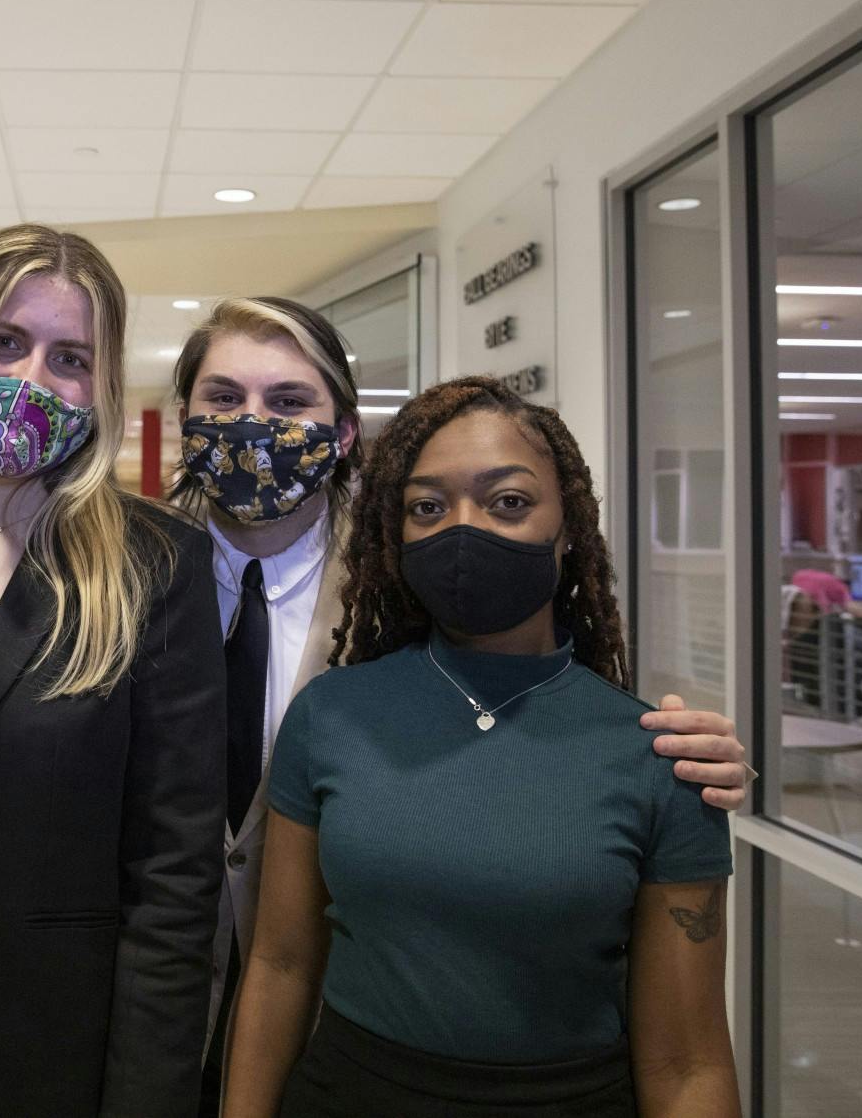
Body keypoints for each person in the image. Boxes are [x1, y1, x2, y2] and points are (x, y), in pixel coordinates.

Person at [173, 303, 751, 1114]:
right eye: (225, 397)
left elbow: (688, 1054)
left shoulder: (646, 750)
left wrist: (690, 762)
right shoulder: (145, 582)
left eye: (510, 502)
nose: (464, 532)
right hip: (174, 1026)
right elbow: (282, 959)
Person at [0, 224, 225, 1117]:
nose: (31, 380)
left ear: (99, 387)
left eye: (68, 357)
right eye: (6, 342)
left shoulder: (154, 564)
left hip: (42, 1056)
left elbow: (173, 878)